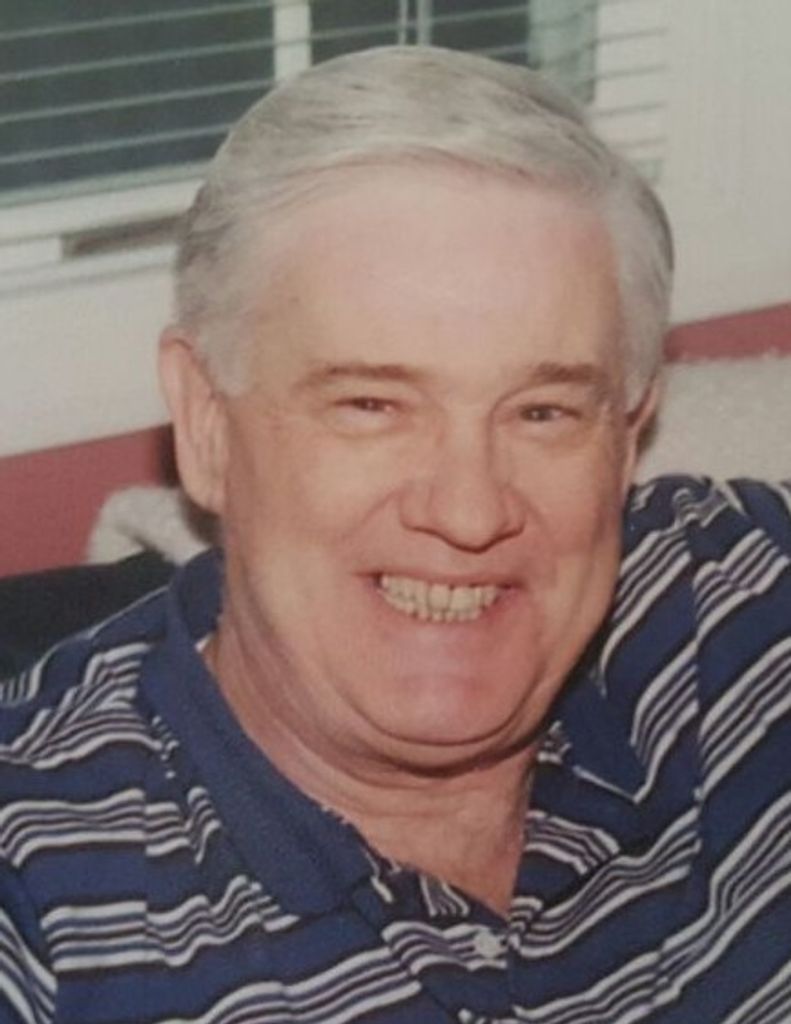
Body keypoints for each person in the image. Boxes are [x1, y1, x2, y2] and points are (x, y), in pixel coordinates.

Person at [1, 46, 790, 1024]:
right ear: (206, 424)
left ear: (627, 435)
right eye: (371, 404)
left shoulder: (733, 605)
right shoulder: (40, 890)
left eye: (542, 412)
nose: (468, 512)